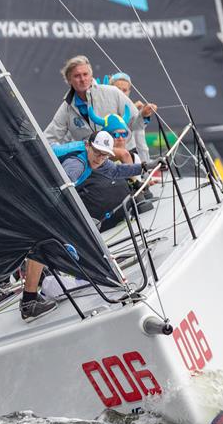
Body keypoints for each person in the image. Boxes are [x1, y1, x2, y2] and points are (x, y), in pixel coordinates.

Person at [20, 131, 164, 322]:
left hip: (37, 191)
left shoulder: (95, 158)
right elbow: (57, 195)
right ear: (88, 145)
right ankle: (30, 301)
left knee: (45, 242)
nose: (100, 158)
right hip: (32, 192)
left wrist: (144, 166)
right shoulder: (77, 165)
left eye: (105, 154)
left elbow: (114, 171)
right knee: (45, 240)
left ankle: (32, 294)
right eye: (97, 152)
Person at [44, 56, 150, 162]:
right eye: (77, 76)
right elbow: (49, 138)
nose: (82, 79)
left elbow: (135, 124)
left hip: (119, 158)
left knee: (125, 158)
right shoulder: (66, 108)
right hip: (92, 164)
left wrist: (143, 115)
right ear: (69, 80)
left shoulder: (113, 92)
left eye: (85, 74)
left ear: (91, 76)